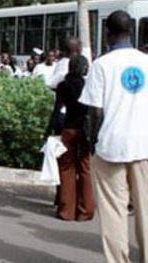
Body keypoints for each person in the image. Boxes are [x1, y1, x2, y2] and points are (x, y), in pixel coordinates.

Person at [79, 11, 148, 263]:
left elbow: (94, 112)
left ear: (108, 33)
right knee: (146, 210)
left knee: (113, 212)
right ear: (131, 31)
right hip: (145, 145)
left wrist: (93, 144)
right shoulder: (146, 62)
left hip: (111, 147)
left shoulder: (101, 65)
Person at [48, 55, 94, 221]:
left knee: (67, 169)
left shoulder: (63, 85)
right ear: (83, 68)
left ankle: (66, 211)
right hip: (85, 131)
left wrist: (49, 131)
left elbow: (57, 109)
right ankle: (86, 210)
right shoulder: (88, 85)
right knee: (85, 168)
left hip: (68, 129)